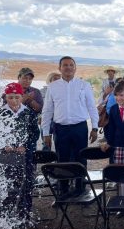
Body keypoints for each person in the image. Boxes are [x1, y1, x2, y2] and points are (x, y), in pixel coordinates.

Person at [41, 56, 99, 197]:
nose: (68, 67)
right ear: (60, 68)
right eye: (65, 65)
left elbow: (92, 107)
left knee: (81, 158)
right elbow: (47, 110)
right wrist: (46, 133)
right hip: (60, 129)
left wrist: (95, 127)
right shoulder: (53, 87)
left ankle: (80, 189)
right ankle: (64, 189)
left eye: (71, 65)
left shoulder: (83, 85)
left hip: (79, 127)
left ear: (75, 68)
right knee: (62, 159)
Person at [0, 83, 40, 221]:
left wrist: (25, 146)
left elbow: (34, 134)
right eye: (10, 97)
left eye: (17, 97)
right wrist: (3, 145)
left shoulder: (28, 113)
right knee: (7, 183)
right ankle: (5, 216)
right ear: (5, 97)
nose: (14, 100)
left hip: (25, 155)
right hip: (6, 156)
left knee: (26, 183)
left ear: (21, 97)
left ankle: (24, 213)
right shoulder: (0, 113)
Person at [101, 82, 124, 164]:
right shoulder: (113, 109)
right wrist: (109, 142)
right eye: (116, 95)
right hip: (117, 145)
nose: (118, 98)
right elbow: (111, 127)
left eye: (121, 95)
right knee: (117, 170)